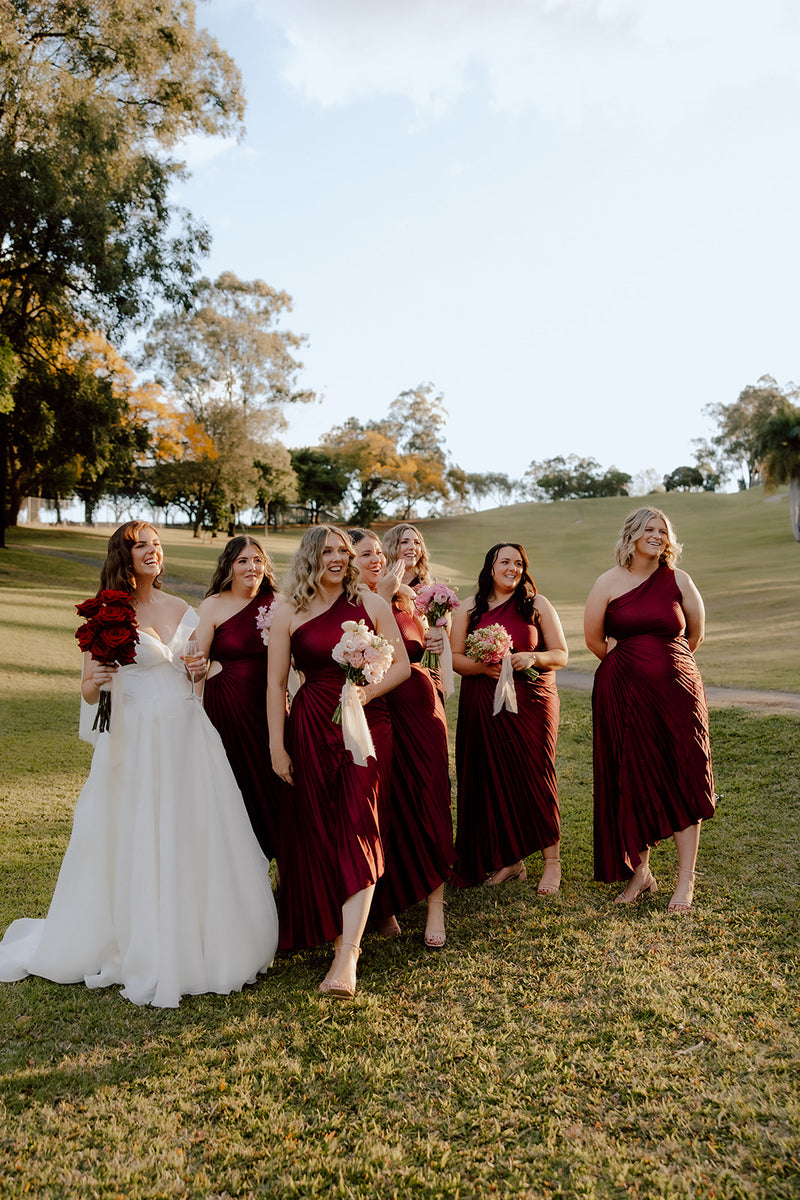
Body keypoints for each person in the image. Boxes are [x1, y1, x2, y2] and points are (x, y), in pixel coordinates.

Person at [0, 522, 278, 1008]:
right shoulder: (108, 613)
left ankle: (204, 933)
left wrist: (199, 671)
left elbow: (200, 669)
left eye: (156, 544)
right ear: (124, 557)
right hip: (138, 737)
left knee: (196, 831)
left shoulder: (181, 608)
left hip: (188, 734)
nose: (153, 552)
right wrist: (100, 678)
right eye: (141, 546)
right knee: (138, 833)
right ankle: (141, 939)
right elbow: (88, 689)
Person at [267, 525, 410, 999]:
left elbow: (403, 665)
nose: (335, 558)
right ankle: (334, 926)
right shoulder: (288, 610)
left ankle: (347, 955)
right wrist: (276, 746)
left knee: (358, 823)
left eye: (341, 551)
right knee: (321, 828)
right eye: (325, 551)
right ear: (310, 557)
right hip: (308, 724)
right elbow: (275, 686)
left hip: (362, 726)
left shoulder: (369, 603)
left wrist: (363, 692)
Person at [584, 507, 715, 913]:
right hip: (623, 695)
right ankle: (641, 873)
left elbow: (694, 634)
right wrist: (631, 663)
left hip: (678, 692)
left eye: (663, 531)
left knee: (684, 773)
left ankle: (686, 878)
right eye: (650, 529)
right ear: (633, 534)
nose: (657, 536)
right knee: (633, 773)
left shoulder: (679, 580)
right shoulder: (608, 581)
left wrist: (665, 662)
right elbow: (593, 639)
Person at [349, 529, 455, 950]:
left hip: (418, 706)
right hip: (376, 712)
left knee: (429, 797)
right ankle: (385, 903)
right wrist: (384, 594)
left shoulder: (409, 599)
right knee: (385, 803)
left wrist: (435, 640)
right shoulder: (350, 603)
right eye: (365, 554)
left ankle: (435, 904)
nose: (375, 559)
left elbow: (420, 650)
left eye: (378, 553)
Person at [450, 543, 567, 893]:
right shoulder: (469, 608)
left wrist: (532, 658)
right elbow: (455, 659)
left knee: (536, 773)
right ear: (491, 567)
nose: (513, 568)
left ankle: (552, 862)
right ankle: (511, 861)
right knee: (490, 777)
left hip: (532, 702)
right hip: (483, 703)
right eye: (506, 562)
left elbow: (560, 654)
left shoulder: (537, 605)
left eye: (519, 563)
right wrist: (487, 667)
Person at [193, 535, 280, 859]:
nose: (251, 567)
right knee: (236, 790)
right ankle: (244, 871)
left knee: (275, 788)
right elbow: (195, 667)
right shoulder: (213, 605)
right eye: (243, 560)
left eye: (257, 560)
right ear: (229, 566)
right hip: (225, 710)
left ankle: (285, 872)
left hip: (268, 709)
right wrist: (196, 716)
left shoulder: (279, 603)